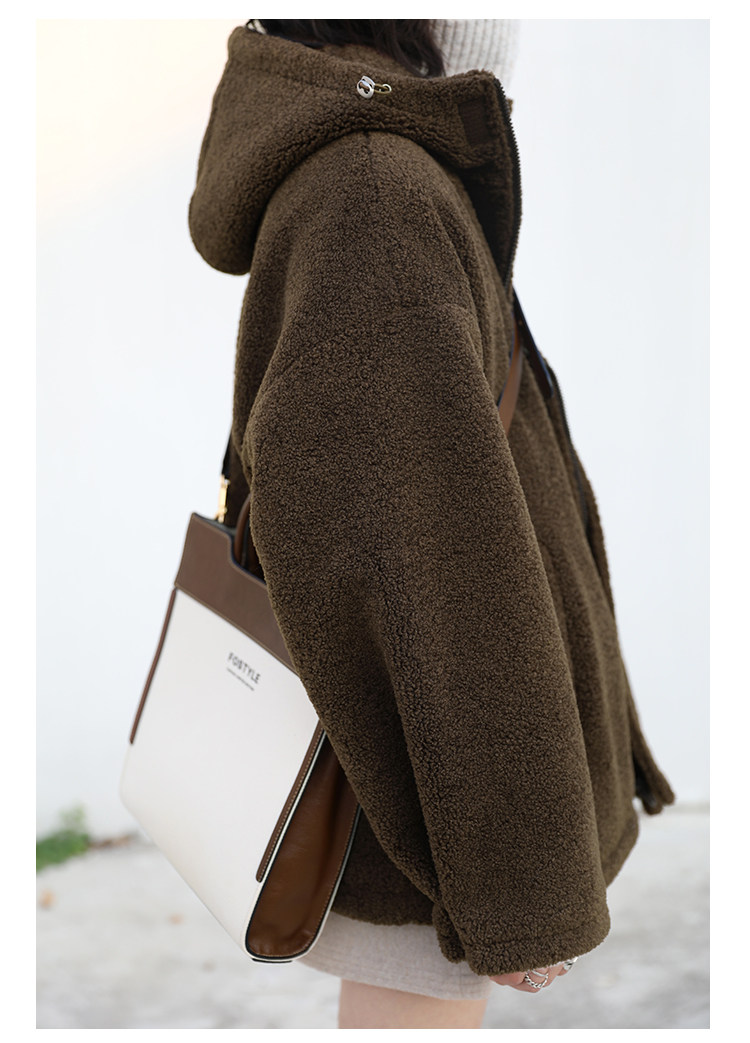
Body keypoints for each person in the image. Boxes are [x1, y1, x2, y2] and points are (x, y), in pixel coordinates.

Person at [188, 18, 675, 1030]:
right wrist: (517, 883)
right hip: (425, 787)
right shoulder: (377, 186)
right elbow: (421, 552)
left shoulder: (378, 159)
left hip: (418, 769)